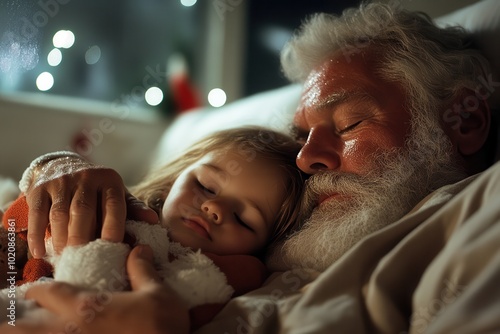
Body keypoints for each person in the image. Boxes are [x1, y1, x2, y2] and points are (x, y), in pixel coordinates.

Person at [3, 1, 500, 333]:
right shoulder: (318, 217)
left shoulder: (474, 215)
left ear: (466, 121)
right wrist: (58, 171)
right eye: (303, 137)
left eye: (349, 125)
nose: (307, 159)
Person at [0, 126, 306, 331]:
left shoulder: (216, 281)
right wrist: (59, 163)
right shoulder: (128, 208)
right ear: (172, 181)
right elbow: (27, 207)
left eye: (244, 220)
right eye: (205, 186)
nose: (215, 209)